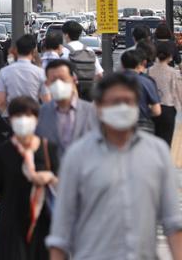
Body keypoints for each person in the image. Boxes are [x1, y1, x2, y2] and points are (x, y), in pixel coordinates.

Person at [47, 73, 182, 259]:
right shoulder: (77, 156)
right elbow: (61, 232)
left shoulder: (157, 153)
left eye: (127, 101)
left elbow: (173, 223)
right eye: (115, 102)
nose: (122, 107)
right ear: (100, 108)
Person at [0, 97, 59, 260]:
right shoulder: (2, 152)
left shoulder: (49, 149)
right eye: (17, 116)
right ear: (10, 120)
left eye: (28, 115)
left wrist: (49, 177)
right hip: (10, 225)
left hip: (43, 224)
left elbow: (63, 187)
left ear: (37, 119)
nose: (22, 120)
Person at [36, 59, 96, 158]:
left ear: (74, 80)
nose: (58, 84)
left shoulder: (92, 111)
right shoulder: (40, 114)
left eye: (63, 79)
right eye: (54, 80)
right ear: (47, 84)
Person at [0, 34, 50, 114]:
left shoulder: (4, 72)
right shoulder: (40, 72)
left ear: (17, 50)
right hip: (32, 115)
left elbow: (1, 102)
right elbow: (47, 100)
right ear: (33, 51)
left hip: (11, 116)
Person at [148, 42, 182, 146]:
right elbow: (178, 92)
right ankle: (164, 160)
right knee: (166, 140)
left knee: (153, 139)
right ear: (170, 56)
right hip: (168, 109)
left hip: (152, 108)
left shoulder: (149, 71)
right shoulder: (172, 72)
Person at [121, 49, 161, 133]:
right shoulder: (147, 82)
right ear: (141, 64)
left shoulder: (110, 82)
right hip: (141, 126)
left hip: (117, 126)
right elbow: (157, 111)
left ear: (122, 64)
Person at [61, 21, 102, 100]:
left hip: (71, 92)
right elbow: (100, 75)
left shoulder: (64, 51)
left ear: (66, 35)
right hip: (88, 92)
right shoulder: (89, 50)